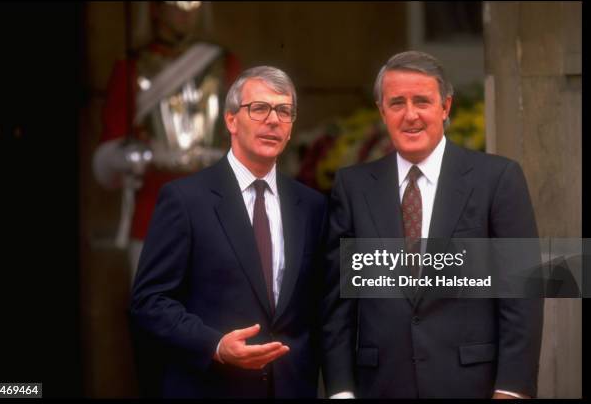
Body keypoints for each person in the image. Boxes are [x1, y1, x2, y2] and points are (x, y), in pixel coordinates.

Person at [327, 51, 543, 398]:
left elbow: (523, 294)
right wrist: (340, 390)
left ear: (445, 107)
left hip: (472, 385)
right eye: (397, 102)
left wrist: (512, 388)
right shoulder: (353, 187)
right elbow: (337, 302)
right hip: (380, 386)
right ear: (382, 111)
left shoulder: (498, 179)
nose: (410, 114)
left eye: (422, 101)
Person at [130, 66, 353, 398]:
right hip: (213, 387)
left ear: (291, 128)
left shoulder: (312, 206)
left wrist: (340, 391)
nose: (273, 120)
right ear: (231, 120)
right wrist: (215, 345)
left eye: (284, 111)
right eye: (259, 108)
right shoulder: (185, 200)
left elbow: (327, 309)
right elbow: (150, 301)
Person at [94, 1, 240, 286]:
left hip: (215, 207)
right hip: (154, 209)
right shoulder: (131, 66)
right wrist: (134, 157)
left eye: (193, 3)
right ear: (156, 8)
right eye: (176, 4)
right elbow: (109, 149)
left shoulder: (224, 64)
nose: (185, 11)